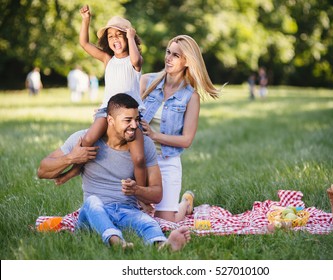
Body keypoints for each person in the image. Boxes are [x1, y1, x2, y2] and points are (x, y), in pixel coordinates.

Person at [37, 93, 191, 251]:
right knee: (92, 202)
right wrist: (71, 158)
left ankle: (163, 244)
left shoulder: (145, 145)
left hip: (127, 211)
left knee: (147, 221)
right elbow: (42, 170)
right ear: (110, 120)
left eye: (136, 119)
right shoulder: (83, 140)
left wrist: (137, 190)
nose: (134, 125)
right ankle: (117, 243)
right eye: (127, 120)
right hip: (94, 213)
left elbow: (157, 194)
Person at [55, 5, 146, 193]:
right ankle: (75, 169)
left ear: (128, 37)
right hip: (107, 111)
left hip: (130, 115)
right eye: (111, 36)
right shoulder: (107, 59)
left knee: (138, 158)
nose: (115, 39)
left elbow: (137, 60)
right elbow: (84, 44)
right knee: (88, 139)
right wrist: (86, 19)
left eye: (119, 35)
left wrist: (130, 36)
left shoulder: (134, 60)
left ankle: (142, 193)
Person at [139, 35, 220, 222]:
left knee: (166, 222)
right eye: (168, 52)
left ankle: (185, 203)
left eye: (176, 55)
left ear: (186, 61)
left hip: (167, 161)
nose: (168, 58)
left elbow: (186, 140)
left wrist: (154, 135)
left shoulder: (190, 97)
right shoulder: (146, 82)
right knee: (136, 215)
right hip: (139, 160)